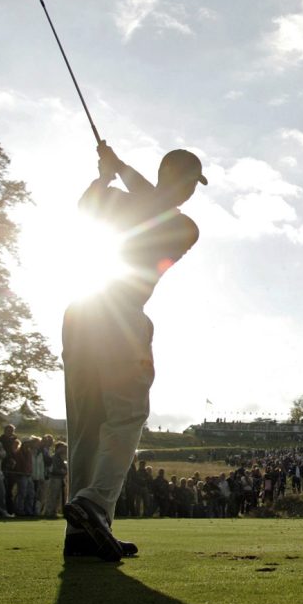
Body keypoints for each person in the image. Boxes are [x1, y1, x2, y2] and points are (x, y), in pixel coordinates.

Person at [62, 142, 206, 561]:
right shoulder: (181, 224)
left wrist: (111, 172)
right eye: (190, 183)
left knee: (87, 427)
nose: (191, 193)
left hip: (82, 311)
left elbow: (91, 206)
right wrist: (115, 170)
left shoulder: (180, 225)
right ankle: (94, 504)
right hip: (119, 316)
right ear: (178, 180)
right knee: (126, 416)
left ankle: (83, 534)